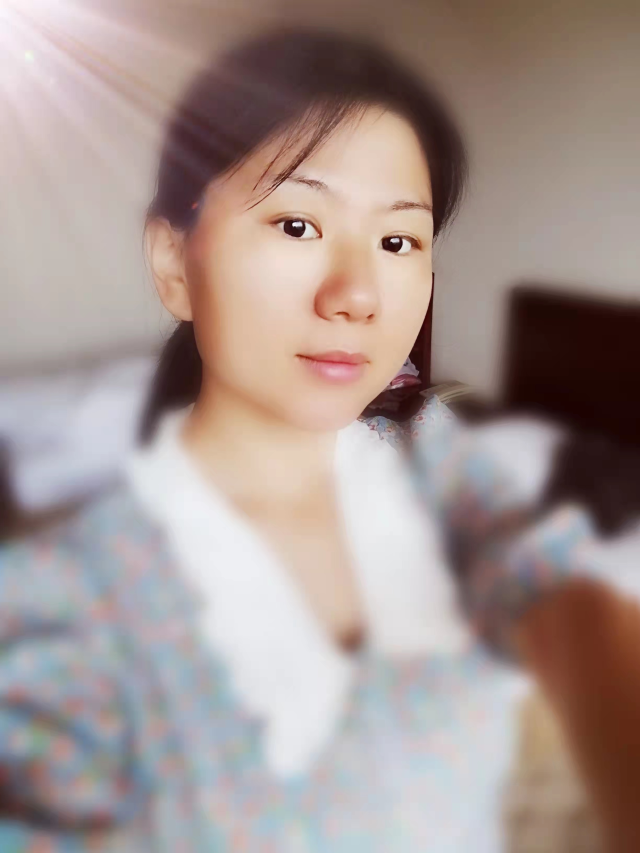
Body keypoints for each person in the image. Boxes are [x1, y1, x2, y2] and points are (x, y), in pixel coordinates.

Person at [0, 27, 638, 853]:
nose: (358, 294)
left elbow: (573, 605)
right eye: (298, 224)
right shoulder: (63, 605)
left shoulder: (437, 460)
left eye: (398, 240)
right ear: (174, 262)